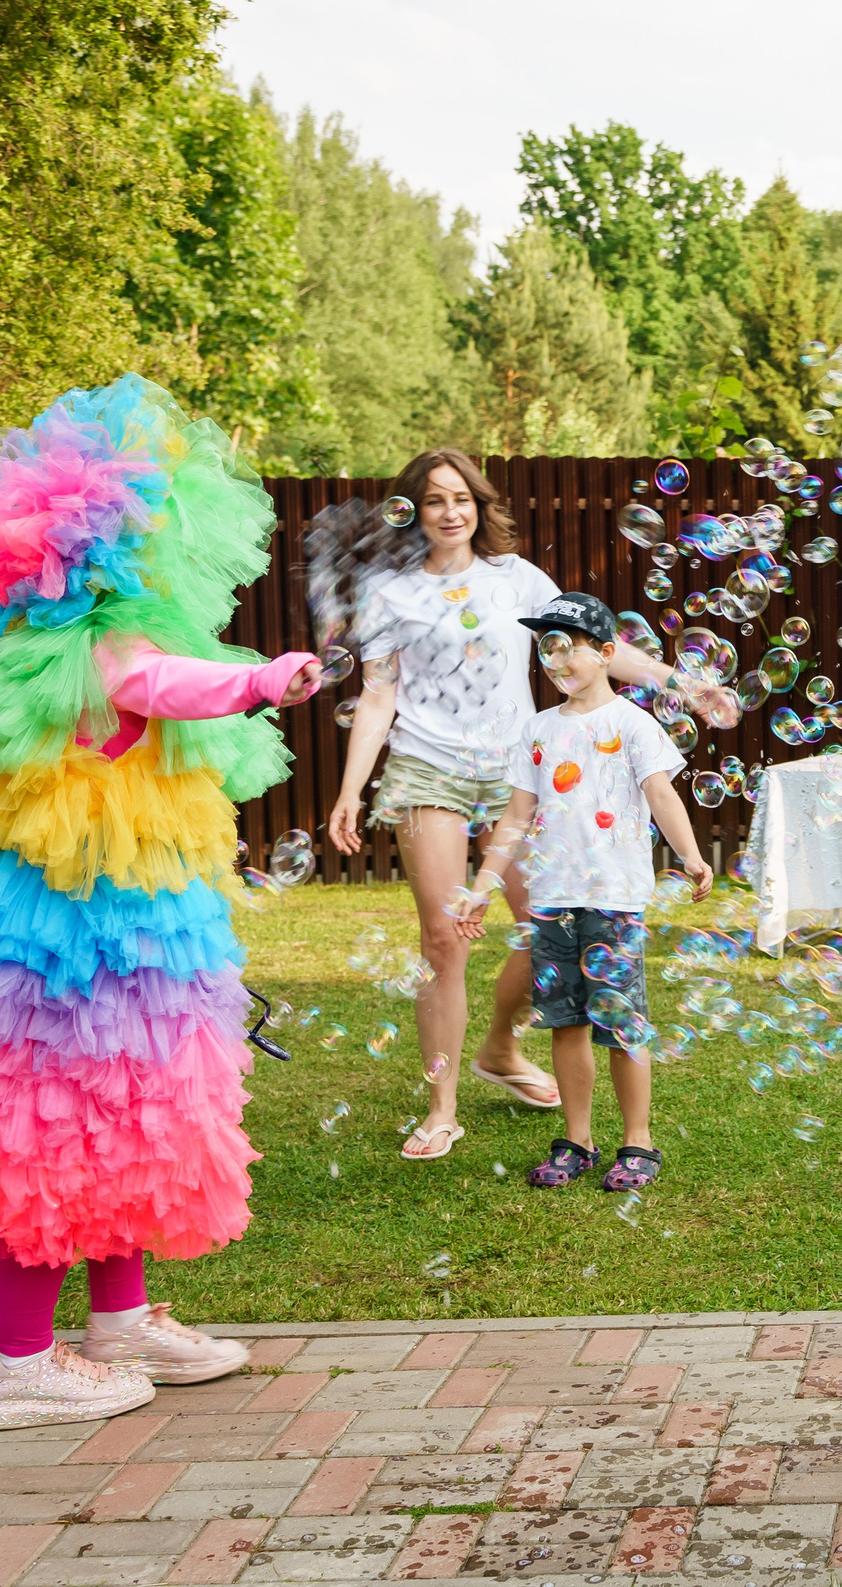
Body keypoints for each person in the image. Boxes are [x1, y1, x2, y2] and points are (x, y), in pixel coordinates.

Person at [0, 377, 323, 1429]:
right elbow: (165, 687)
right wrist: (265, 678)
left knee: (124, 1120)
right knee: (60, 1131)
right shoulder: (100, 644)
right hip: (76, 942)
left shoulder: (48, 643)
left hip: (110, 926)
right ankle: (21, 1364)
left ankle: (119, 1325)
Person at [326, 450, 675, 1161]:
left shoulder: (516, 579)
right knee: (444, 939)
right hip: (429, 770)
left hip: (520, 769)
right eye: (433, 501)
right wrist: (350, 789)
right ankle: (442, 1108)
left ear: (481, 507)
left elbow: (595, 648)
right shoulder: (391, 594)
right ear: (414, 512)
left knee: (543, 924)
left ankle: (499, 1046)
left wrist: (679, 680)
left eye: (463, 498)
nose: (450, 511)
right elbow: (380, 694)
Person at [454, 593, 713, 1189]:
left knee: (622, 1024)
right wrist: (484, 886)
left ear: (605, 653)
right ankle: (577, 1138)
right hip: (553, 896)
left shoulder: (631, 723)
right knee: (565, 1022)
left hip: (614, 898)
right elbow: (517, 815)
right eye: (548, 646)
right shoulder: (537, 730)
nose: (558, 658)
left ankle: (638, 1142)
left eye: (570, 646)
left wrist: (692, 856)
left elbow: (661, 795)